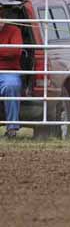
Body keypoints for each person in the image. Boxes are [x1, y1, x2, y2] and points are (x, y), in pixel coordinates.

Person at [0, 8, 23, 138]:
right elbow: (9, 51)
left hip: (9, 71)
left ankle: (12, 128)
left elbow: (15, 51)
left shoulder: (14, 31)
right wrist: (4, 51)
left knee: (11, 86)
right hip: (7, 68)